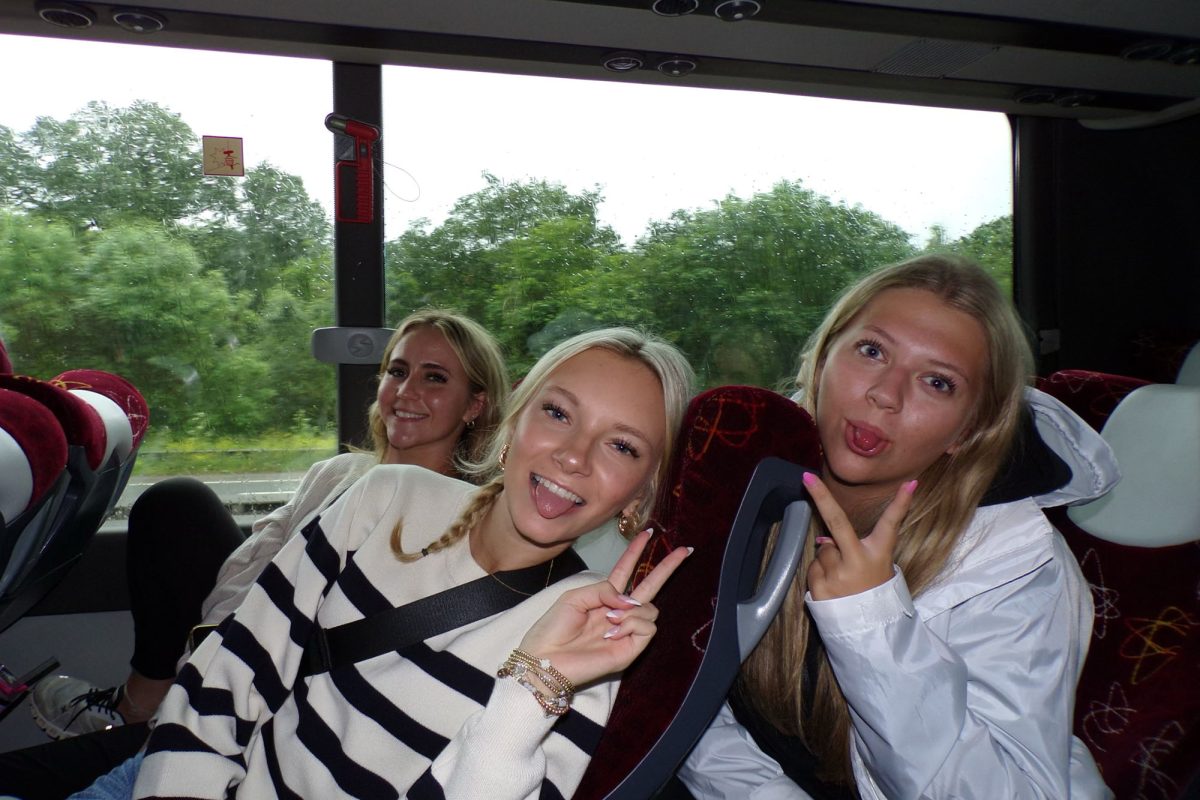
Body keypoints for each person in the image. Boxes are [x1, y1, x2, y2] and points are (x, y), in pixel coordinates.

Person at [113, 325, 696, 798]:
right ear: (514, 420)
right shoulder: (384, 497)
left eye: (622, 446)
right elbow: (224, 680)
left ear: (641, 494)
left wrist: (529, 692)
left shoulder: (593, 643)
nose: (573, 456)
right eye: (559, 414)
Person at [6, 309, 509, 798]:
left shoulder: (458, 520)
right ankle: (145, 704)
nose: (406, 392)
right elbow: (242, 573)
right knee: (176, 501)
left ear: (474, 406)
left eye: (435, 378)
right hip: (232, 656)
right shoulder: (335, 475)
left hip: (283, 703)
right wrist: (210, 665)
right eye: (397, 371)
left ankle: (160, 718)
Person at [677, 254, 1115, 799]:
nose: (887, 393)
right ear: (822, 359)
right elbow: (683, 693)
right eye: (871, 351)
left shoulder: (1018, 567)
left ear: (967, 431)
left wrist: (870, 621)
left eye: (937, 382)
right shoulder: (741, 478)